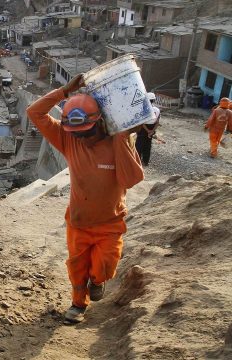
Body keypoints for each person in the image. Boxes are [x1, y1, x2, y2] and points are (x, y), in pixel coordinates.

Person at [26, 74, 145, 324]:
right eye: (76, 133)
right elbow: (34, 112)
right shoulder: (68, 139)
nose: (81, 137)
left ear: (99, 121)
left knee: (105, 265)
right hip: (78, 223)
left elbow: (131, 179)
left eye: (86, 131)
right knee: (77, 270)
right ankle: (78, 305)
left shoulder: (118, 141)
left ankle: (98, 280)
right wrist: (63, 92)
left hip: (109, 224)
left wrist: (124, 139)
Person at [135, 92, 160, 166]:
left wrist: (147, 130)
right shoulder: (157, 110)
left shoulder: (143, 109)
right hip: (152, 128)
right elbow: (157, 122)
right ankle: (146, 161)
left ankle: (137, 161)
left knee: (139, 145)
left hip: (143, 128)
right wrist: (151, 131)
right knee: (148, 145)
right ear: (154, 100)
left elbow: (142, 122)